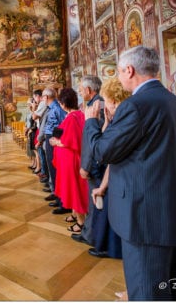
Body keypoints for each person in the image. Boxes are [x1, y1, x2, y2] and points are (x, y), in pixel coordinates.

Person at [83, 46, 176, 300]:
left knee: (146, 291)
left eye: (119, 72)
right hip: (171, 211)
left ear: (129, 70)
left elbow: (102, 152)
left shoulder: (135, 106)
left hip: (143, 218)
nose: (119, 78)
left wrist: (91, 123)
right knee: (172, 289)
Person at [89, 77, 131, 259]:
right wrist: (106, 122)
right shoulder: (121, 118)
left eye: (105, 100)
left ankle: (112, 249)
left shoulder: (124, 122)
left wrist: (91, 123)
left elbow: (101, 152)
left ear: (113, 101)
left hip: (123, 182)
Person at [72, 75, 104, 246]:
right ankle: (90, 234)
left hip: (95, 163)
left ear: (89, 90)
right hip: (94, 161)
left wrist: (86, 165)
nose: (79, 91)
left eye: (81, 89)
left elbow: (93, 140)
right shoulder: (92, 104)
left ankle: (94, 237)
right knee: (94, 201)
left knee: (96, 202)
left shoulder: (97, 106)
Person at [50, 88, 87, 232]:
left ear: (64, 103)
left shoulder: (72, 118)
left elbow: (71, 141)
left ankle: (80, 222)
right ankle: (74, 214)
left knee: (73, 188)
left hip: (70, 159)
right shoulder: (76, 115)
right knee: (71, 187)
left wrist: (56, 142)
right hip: (69, 158)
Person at [42, 87, 67, 213]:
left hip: (53, 140)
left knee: (56, 170)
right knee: (52, 169)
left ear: (46, 97)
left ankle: (63, 201)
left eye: (42, 96)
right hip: (50, 138)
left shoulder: (56, 108)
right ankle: (58, 196)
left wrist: (55, 138)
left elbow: (63, 124)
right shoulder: (52, 108)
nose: (42, 99)